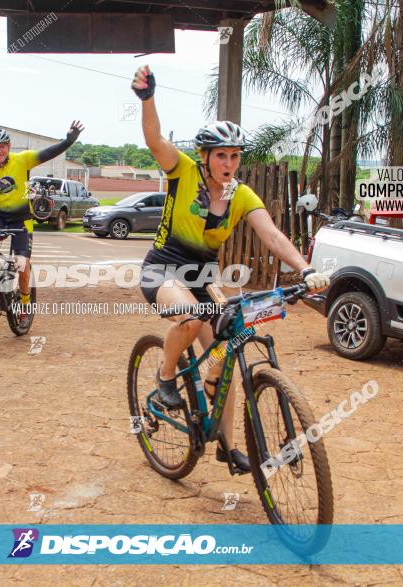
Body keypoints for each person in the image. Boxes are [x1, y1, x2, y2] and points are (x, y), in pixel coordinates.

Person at [130, 65, 329, 472]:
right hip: (163, 269)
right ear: (205, 156)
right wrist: (148, 99)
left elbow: (271, 234)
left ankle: (226, 444)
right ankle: (166, 377)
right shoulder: (182, 170)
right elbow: (153, 139)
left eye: (235, 156)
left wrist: (306, 271)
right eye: (221, 155)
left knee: (227, 351)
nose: (229, 162)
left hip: (204, 276)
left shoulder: (240, 194)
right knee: (187, 321)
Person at [0, 123, 84, 317]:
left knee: (21, 263)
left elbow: (48, 153)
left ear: (9, 146)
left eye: (2, 145)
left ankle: (25, 303)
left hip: (22, 220)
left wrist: (68, 141)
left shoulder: (23, 160)